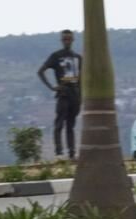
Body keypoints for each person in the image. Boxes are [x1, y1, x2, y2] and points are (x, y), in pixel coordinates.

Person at [37, 29, 82, 160]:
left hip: (75, 94)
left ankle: (72, 152)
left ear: (73, 40)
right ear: (62, 41)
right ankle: (59, 152)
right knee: (59, 123)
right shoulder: (56, 56)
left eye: (69, 39)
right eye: (64, 39)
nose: (67, 41)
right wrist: (52, 87)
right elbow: (41, 71)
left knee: (71, 125)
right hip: (63, 93)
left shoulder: (78, 58)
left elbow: (82, 78)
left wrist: (81, 96)